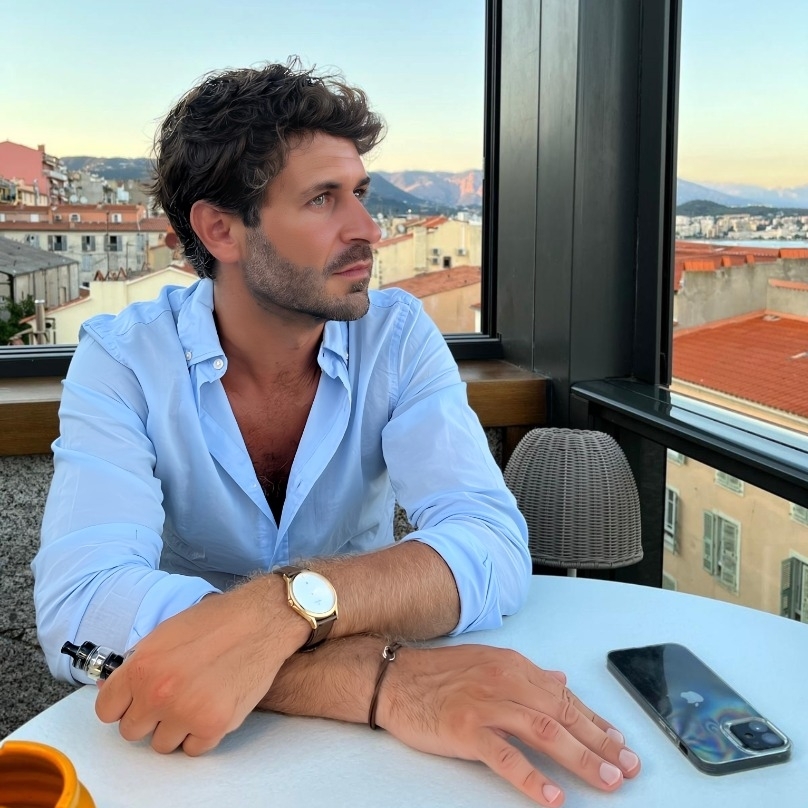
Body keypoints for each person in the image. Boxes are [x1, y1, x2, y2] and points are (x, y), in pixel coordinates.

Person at [33, 60, 640, 806]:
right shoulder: (125, 359)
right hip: (198, 749)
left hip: (384, 762)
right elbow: (81, 610)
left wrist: (281, 609)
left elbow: (490, 541)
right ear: (220, 229)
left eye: (360, 193)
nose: (368, 230)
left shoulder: (397, 337)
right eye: (323, 199)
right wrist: (379, 680)